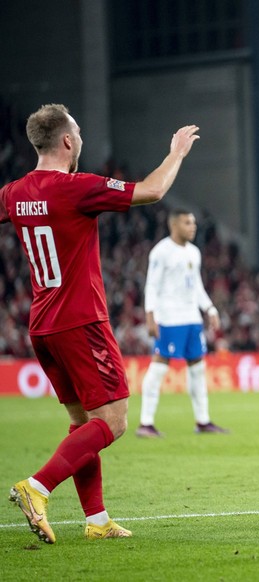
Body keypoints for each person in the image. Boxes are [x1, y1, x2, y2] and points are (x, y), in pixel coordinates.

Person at [1, 103, 200, 543]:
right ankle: (36, 488)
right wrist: (177, 153)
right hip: (80, 321)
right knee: (112, 421)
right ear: (68, 141)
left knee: (84, 423)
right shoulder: (75, 188)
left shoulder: (13, 192)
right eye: (79, 135)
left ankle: (96, 520)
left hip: (42, 325)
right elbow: (151, 191)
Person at [136, 208, 228, 438]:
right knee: (158, 367)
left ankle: (203, 421)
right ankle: (146, 423)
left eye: (193, 222)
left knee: (198, 368)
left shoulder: (194, 252)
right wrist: (150, 316)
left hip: (192, 319)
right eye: (187, 222)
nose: (192, 227)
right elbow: (152, 285)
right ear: (174, 225)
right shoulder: (161, 252)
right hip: (169, 318)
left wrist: (209, 308)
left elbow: (196, 286)